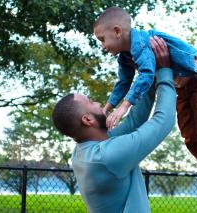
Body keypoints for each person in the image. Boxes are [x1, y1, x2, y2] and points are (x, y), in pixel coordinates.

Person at [93, 6, 197, 204]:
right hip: (182, 83)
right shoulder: (125, 57)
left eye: (102, 39)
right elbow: (123, 82)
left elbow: (148, 74)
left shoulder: (141, 43)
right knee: (189, 135)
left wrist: (124, 107)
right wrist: (107, 108)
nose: (102, 46)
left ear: (117, 31)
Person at [52, 37, 176, 212]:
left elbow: (134, 121)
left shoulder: (86, 150)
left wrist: (148, 74)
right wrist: (164, 71)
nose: (97, 103)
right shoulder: (106, 157)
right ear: (88, 120)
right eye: (90, 102)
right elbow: (163, 121)